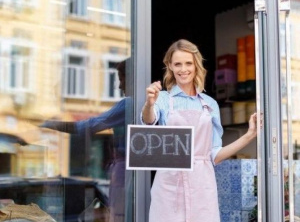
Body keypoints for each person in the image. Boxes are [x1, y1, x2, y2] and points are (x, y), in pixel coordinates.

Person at [141, 39, 258, 222]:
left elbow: (215, 155)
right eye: (177, 64)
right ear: (170, 66)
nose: (183, 69)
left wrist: (249, 135)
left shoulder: (210, 104)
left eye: (188, 63)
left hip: (202, 184)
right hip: (169, 183)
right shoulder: (162, 99)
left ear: (196, 65)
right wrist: (149, 103)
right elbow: (149, 120)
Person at [40, 58, 132, 222]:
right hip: (128, 172)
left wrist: (51, 124)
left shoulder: (129, 105)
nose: (119, 86)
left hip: (124, 173)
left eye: (122, 79)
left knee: (119, 216)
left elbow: (88, 126)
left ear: (131, 78)